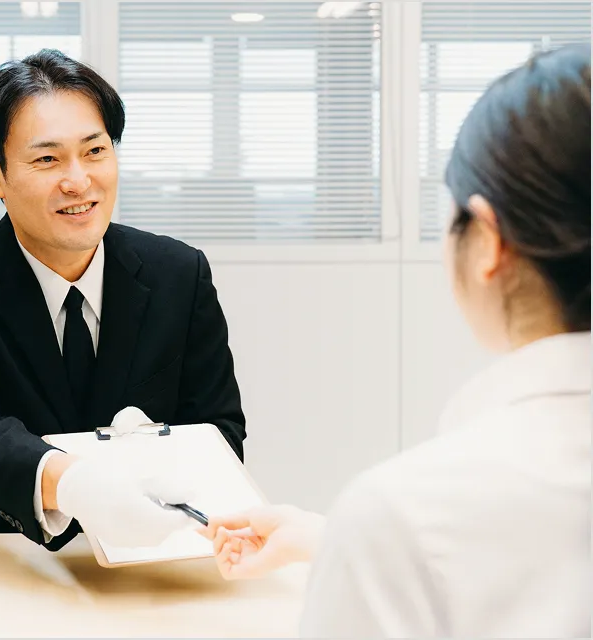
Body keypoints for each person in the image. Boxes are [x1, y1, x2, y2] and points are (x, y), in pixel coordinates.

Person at [201, 43, 591, 638]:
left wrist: (371, 546)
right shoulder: (411, 522)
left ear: (489, 242)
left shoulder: (408, 513)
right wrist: (332, 540)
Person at [0, 49, 246, 551]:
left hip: (149, 554)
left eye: (95, 151)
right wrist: (76, 484)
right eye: (47, 159)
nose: (78, 181)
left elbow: (218, 432)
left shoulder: (179, 273)